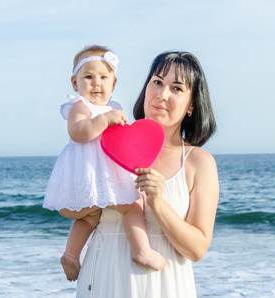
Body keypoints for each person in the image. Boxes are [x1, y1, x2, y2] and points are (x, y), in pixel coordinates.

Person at [76, 50, 219, 298]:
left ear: (191, 105)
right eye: (157, 82)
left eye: (176, 88)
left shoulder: (198, 162)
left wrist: (158, 203)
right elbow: (71, 209)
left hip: (164, 286)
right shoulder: (110, 140)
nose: (162, 95)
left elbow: (197, 249)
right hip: (102, 277)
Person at [43, 45, 167, 282]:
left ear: (114, 83)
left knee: (93, 216)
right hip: (87, 175)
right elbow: (79, 132)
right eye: (88, 77)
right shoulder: (80, 106)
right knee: (131, 205)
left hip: (104, 173)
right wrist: (103, 119)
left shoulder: (113, 109)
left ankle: (70, 255)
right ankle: (141, 251)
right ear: (74, 82)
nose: (96, 83)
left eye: (103, 77)